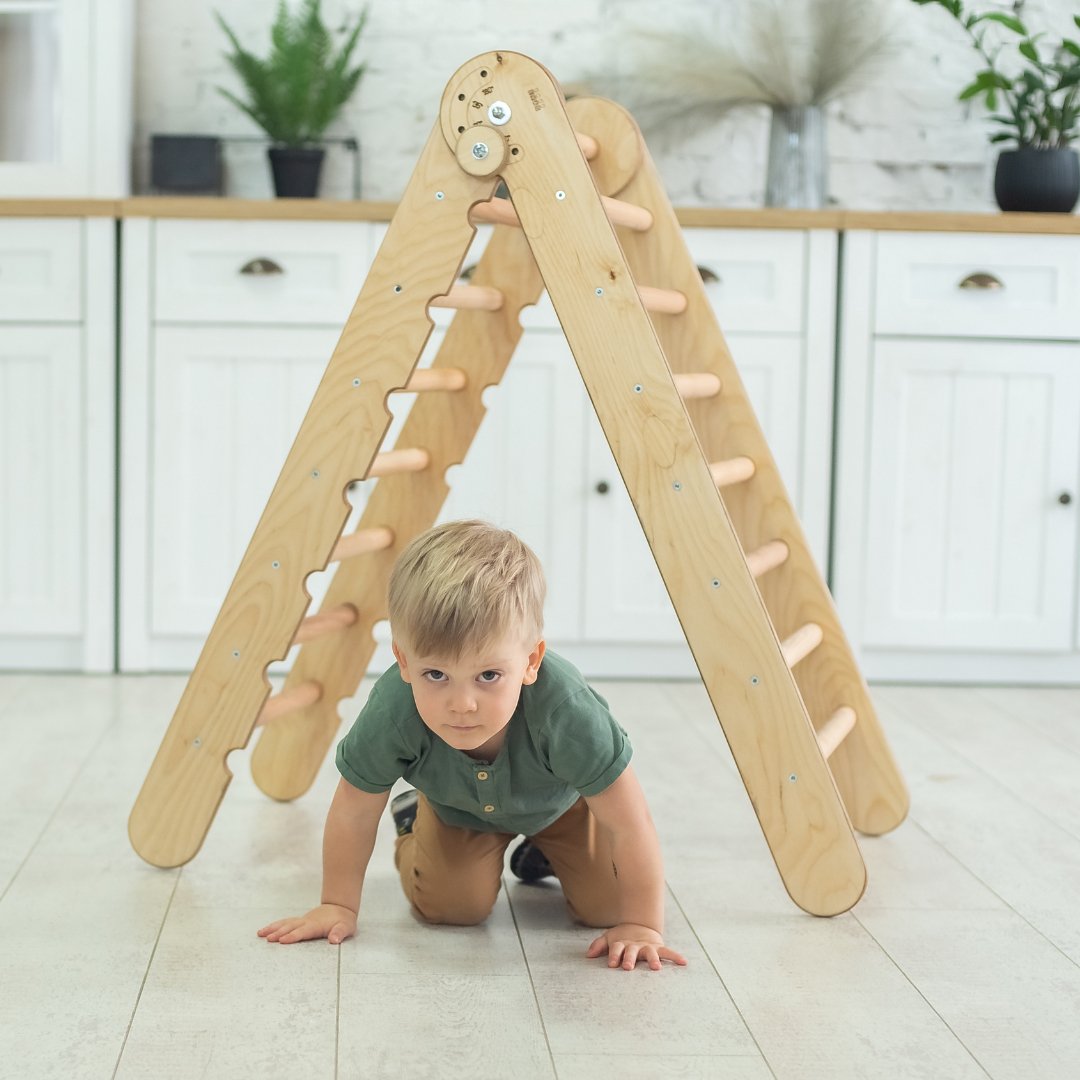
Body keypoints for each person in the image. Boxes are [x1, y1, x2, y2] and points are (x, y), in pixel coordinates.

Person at [258, 520, 687, 972]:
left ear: (530, 661)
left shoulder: (566, 709)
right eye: (436, 675)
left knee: (606, 907)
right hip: (456, 810)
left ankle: (544, 852)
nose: (462, 704)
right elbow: (353, 809)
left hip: (562, 809)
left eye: (488, 676)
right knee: (450, 908)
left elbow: (630, 822)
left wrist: (642, 925)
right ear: (404, 661)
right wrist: (337, 905)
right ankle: (414, 823)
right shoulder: (393, 710)